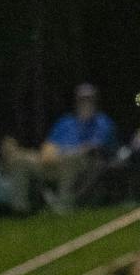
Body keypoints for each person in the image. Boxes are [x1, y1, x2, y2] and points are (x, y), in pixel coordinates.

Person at [40, 83, 117, 212]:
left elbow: (94, 147)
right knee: (24, 160)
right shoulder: (65, 122)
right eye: (82, 100)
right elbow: (49, 145)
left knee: (71, 159)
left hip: (89, 163)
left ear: (95, 101)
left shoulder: (102, 121)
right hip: (56, 162)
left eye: (89, 99)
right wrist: (49, 154)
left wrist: (64, 154)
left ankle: (64, 205)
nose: (86, 103)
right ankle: (20, 209)